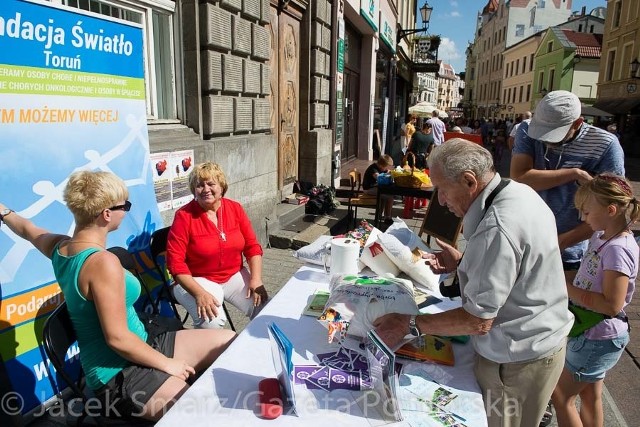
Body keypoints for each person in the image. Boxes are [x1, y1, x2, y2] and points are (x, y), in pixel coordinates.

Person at [0, 171, 236, 421]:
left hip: (143, 342)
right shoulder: (103, 264)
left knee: (230, 342)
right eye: (125, 205)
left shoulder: (61, 247)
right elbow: (117, 339)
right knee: (200, 415)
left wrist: (4, 212)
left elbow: (28, 229)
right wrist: (168, 364)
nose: (127, 210)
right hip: (117, 373)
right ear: (106, 214)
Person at [374, 139, 573, 427]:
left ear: (469, 181)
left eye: (442, 190)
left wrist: (408, 324)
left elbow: (478, 321)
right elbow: (515, 265)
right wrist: (465, 263)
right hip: (534, 343)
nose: (440, 201)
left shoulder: (497, 227)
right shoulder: (518, 192)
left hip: (518, 358)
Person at [552, 174, 639, 427]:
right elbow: (588, 276)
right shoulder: (601, 236)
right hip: (592, 332)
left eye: (586, 212)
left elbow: (612, 304)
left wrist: (567, 288)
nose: (582, 218)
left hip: (597, 335)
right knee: (590, 395)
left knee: (560, 396)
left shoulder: (618, 249)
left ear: (611, 210)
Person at [511, 90, 625, 272]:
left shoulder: (606, 145)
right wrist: (574, 174)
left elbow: (611, 209)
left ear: (578, 123)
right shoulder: (527, 129)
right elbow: (520, 177)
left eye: (554, 133)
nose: (544, 139)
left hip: (569, 251)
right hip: (523, 241)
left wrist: (561, 242)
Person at [167, 162, 268, 329]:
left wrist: (256, 279)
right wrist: (199, 293)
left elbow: (252, 247)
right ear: (194, 191)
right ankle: (206, 353)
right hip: (196, 279)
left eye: (211, 184)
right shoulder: (184, 216)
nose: (205, 189)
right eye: (199, 185)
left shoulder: (235, 209)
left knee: (264, 307)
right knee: (212, 320)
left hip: (232, 274)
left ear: (222, 187)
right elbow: (175, 263)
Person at [362, 154, 394, 222]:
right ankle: (388, 217)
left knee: (384, 195)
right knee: (389, 196)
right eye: (386, 167)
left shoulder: (381, 168)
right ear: (381, 165)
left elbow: (386, 172)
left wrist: (388, 172)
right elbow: (379, 178)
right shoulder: (373, 169)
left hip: (375, 187)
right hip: (368, 189)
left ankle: (379, 215)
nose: (386, 169)